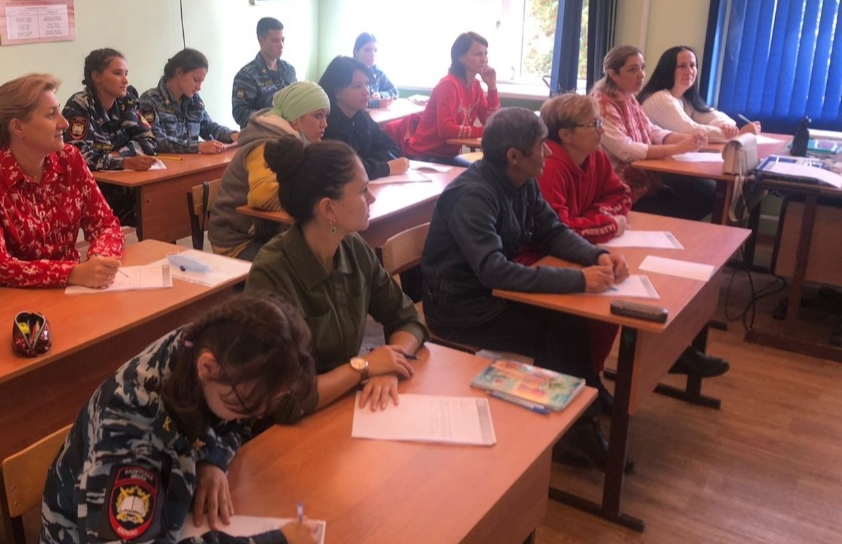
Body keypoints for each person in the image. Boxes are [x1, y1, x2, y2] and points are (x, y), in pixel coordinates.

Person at [39, 293, 320, 544]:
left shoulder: (210, 348)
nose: (251, 417)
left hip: (161, 525)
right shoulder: (133, 426)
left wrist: (213, 457)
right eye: (244, 406)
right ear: (207, 367)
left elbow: (235, 422)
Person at [420, 107, 626, 468]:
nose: (547, 152)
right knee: (558, 328)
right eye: (540, 146)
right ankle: (568, 433)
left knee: (570, 319)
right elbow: (494, 272)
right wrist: (578, 279)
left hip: (490, 294)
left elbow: (553, 231)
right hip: (460, 306)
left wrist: (597, 255)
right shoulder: (473, 196)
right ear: (513, 156)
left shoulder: (522, 180)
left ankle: (584, 396)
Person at [536, 94, 728, 391]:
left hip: (583, 245)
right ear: (566, 135)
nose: (601, 130)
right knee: (611, 295)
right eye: (593, 124)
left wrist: (597, 218)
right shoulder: (550, 167)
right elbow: (560, 229)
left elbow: (621, 194)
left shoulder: (595, 156)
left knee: (642, 278)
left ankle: (665, 350)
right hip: (549, 255)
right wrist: (608, 223)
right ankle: (592, 380)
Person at [246, 137, 426, 423]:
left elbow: (407, 318)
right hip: (293, 427)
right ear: (328, 209)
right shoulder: (272, 273)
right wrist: (364, 367)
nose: (372, 198)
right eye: (363, 190)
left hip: (344, 403)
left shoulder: (352, 247)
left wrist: (391, 364)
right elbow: (284, 397)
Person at [0, 73, 126, 290]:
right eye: (51, 115)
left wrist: (100, 258)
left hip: (74, 290)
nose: (64, 123)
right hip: (16, 297)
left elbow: (106, 225)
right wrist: (71, 273)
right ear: (17, 127)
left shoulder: (69, 159)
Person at [208, 81, 330, 260]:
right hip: (238, 242)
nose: (325, 124)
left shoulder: (296, 142)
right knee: (308, 263)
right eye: (318, 116)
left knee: (329, 250)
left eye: (326, 116)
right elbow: (261, 196)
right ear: (296, 118)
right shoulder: (267, 145)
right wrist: (309, 199)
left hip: (267, 233)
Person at [591, 45, 714, 220]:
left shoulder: (628, 96)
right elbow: (625, 150)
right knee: (700, 198)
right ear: (613, 74)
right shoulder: (601, 104)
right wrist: (677, 148)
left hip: (646, 182)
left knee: (706, 194)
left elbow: (650, 129)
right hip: (622, 190)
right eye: (633, 69)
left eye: (642, 68)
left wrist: (684, 138)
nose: (641, 75)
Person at [62, 49, 158, 226]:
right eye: (117, 73)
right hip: (94, 188)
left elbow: (149, 139)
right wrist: (124, 162)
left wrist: (119, 154)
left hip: (127, 182)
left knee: (162, 200)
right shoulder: (79, 105)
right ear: (96, 76)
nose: (125, 80)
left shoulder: (126, 101)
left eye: (126, 73)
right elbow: (78, 156)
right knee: (151, 206)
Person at [402, 31, 500, 164]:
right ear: (461, 58)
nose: (484, 59)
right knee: (481, 173)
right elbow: (446, 129)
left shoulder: (476, 86)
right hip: (424, 156)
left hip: (446, 156)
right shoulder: (448, 85)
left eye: (485, 54)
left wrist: (492, 87)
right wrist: (483, 131)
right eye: (478, 54)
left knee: (488, 171)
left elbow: (492, 123)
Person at [639, 45, 762, 143]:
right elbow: (689, 131)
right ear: (668, 70)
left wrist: (726, 126)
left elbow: (712, 115)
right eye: (682, 66)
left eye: (693, 65)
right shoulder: (659, 98)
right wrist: (738, 134)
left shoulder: (684, 98)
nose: (689, 71)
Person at [319, 56, 407, 180]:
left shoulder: (361, 117)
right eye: (357, 86)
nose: (366, 91)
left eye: (367, 84)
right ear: (337, 92)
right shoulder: (326, 124)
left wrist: (366, 164)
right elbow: (347, 170)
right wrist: (387, 168)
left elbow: (393, 148)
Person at [139, 48, 239, 154]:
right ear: (179, 73)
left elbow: (208, 126)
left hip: (193, 161)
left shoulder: (194, 100)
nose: (199, 87)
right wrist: (197, 147)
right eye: (196, 80)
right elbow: (157, 140)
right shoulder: (149, 100)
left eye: (201, 82)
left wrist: (232, 135)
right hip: (167, 163)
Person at [232, 17, 298, 129]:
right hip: (262, 134)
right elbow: (240, 113)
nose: (281, 45)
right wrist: (273, 118)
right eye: (275, 41)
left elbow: (296, 101)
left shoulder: (289, 70)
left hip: (290, 132)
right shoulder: (246, 75)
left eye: (283, 40)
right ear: (261, 41)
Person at [353, 32, 398, 108]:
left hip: (374, 113)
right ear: (357, 52)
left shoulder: (377, 71)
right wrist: (377, 103)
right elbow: (351, 100)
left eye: (375, 50)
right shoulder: (349, 71)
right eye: (367, 50)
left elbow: (394, 91)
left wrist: (381, 95)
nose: (373, 54)